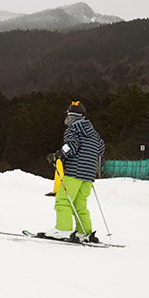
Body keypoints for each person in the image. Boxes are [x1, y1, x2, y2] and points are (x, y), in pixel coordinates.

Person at [43, 101, 105, 242]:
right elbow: (101, 148)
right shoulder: (94, 133)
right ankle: (84, 232)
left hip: (75, 171)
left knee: (63, 200)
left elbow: (71, 146)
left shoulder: (73, 130)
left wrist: (58, 155)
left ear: (70, 116)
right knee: (79, 203)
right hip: (89, 174)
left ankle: (63, 229)